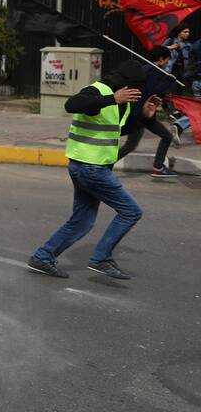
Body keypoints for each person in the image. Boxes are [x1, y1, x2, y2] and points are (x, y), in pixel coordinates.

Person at [27, 60, 153, 280]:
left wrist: (143, 116)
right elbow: (72, 104)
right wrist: (112, 99)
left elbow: (117, 130)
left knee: (82, 221)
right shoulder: (99, 91)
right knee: (131, 211)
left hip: (89, 166)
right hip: (90, 168)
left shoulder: (119, 102)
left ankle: (43, 257)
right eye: (137, 87)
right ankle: (101, 258)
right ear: (126, 84)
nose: (138, 92)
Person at [116, 46, 177, 178]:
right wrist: (169, 80)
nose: (168, 62)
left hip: (139, 114)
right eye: (167, 59)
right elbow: (152, 90)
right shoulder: (152, 71)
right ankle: (158, 166)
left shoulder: (146, 69)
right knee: (167, 136)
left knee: (130, 145)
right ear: (161, 59)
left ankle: (104, 166)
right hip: (142, 115)